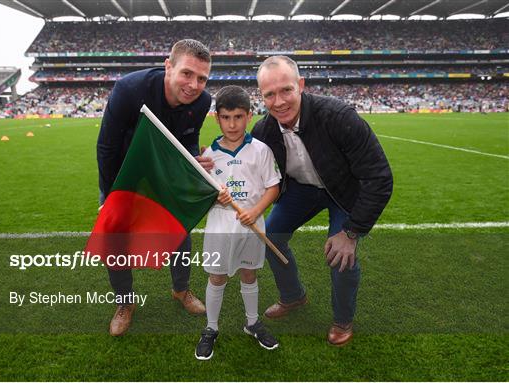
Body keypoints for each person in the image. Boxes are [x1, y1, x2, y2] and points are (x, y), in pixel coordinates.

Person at [251, 56, 393, 346]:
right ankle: (293, 296)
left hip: (343, 190)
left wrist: (351, 232)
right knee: (270, 238)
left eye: (286, 90)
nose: (279, 102)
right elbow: (246, 165)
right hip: (303, 189)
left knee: (341, 254)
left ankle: (342, 320)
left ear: (301, 85)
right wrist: (213, 160)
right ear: (261, 97)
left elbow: (380, 178)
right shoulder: (263, 131)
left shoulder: (338, 117)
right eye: (269, 94)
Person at [97, 39, 214, 336]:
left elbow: (186, 140)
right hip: (126, 174)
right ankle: (125, 303)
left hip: (163, 174)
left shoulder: (202, 101)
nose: (194, 84)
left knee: (179, 229)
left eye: (202, 78)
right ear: (168, 66)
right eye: (187, 73)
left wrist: (193, 161)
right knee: (115, 238)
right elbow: (107, 147)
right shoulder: (129, 89)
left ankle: (181, 289)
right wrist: (113, 197)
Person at [194, 85, 281, 360]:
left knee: (249, 273)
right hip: (221, 226)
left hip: (252, 223)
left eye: (239, 117)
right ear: (217, 118)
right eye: (226, 117)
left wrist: (255, 211)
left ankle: (252, 322)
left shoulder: (261, 150)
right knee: (217, 276)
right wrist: (214, 199)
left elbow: (273, 187)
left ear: (249, 116)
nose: (232, 124)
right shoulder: (207, 157)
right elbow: (199, 197)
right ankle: (210, 327)